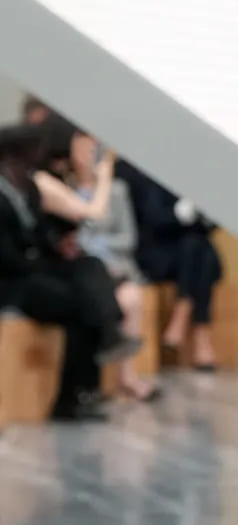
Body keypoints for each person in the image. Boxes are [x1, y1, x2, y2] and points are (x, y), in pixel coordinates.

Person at [0, 124, 135, 420]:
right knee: (81, 306)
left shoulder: (29, 189)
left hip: (36, 268)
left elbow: (39, 233)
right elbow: (8, 255)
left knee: (90, 265)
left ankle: (107, 338)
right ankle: (75, 394)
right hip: (13, 282)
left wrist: (57, 247)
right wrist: (40, 259)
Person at [37, 118, 159, 401]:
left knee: (124, 296)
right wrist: (103, 179)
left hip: (108, 267)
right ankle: (93, 377)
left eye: (92, 148)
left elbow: (124, 235)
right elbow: (91, 213)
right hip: (80, 269)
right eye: (82, 147)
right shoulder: (55, 184)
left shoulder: (116, 190)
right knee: (92, 296)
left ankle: (119, 374)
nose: (88, 153)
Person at [117, 159, 221, 371]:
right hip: (155, 253)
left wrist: (203, 213)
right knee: (201, 253)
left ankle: (183, 310)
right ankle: (202, 340)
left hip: (189, 254)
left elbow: (208, 225)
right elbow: (149, 219)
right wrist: (177, 215)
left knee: (197, 248)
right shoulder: (135, 167)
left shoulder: (191, 170)